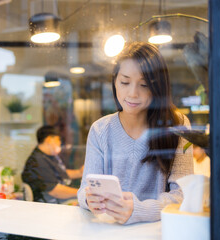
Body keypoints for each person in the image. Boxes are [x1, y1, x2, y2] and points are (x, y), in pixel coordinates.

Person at [77, 42, 193, 224]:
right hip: (108, 232)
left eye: (144, 85)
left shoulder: (178, 124)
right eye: (124, 82)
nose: (132, 93)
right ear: (115, 81)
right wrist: (89, 199)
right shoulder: (100, 129)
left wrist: (139, 210)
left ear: (158, 88)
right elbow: (84, 189)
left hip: (157, 232)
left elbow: (183, 194)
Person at [21, 125, 84, 203]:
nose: (60, 143)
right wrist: (83, 193)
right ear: (49, 140)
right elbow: (55, 191)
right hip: (48, 205)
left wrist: (79, 172)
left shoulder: (48, 155)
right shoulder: (38, 162)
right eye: (58, 140)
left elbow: (60, 173)